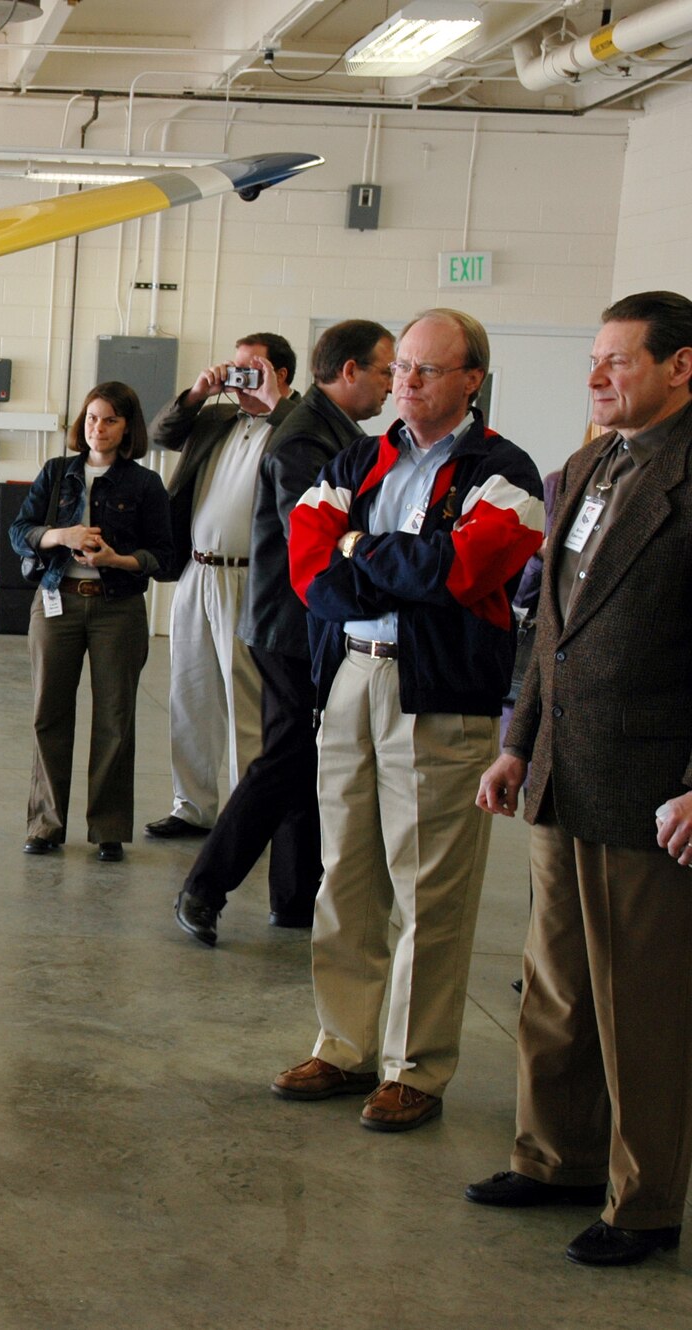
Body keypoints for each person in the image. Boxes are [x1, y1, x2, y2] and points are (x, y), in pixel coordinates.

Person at [271, 308, 542, 1132]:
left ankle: (413, 1067)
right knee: (345, 875)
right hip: (353, 677)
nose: (406, 382)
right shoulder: (359, 460)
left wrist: (361, 548)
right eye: (400, 369)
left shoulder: (506, 471)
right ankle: (344, 1044)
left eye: (426, 369)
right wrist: (386, 563)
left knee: (429, 888)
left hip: (439, 695)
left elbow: (463, 571)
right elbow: (309, 563)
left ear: (472, 379)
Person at [467, 290, 692, 1267]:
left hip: (652, 787)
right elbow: (547, 624)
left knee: (640, 1007)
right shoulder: (591, 464)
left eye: (617, 360)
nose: (594, 376)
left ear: (680, 366)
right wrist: (517, 740)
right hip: (562, 770)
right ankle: (554, 1155)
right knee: (554, 987)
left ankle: (644, 1202)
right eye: (593, 359)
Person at [174, 320, 394, 946]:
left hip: (301, 621)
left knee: (302, 754)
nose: (392, 384)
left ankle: (294, 898)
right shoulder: (304, 438)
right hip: (289, 623)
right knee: (288, 756)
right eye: (386, 371)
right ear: (349, 371)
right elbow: (317, 535)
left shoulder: (330, 430)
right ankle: (204, 887)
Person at [144, 333, 300, 839]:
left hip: (252, 578)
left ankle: (246, 815)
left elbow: (314, 450)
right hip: (197, 570)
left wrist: (275, 404)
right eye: (234, 368)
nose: (238, 379)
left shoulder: (296, 424)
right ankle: (191, 805)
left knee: (244, 702)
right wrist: (197, 393)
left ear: (279, 374)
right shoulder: (216, 419)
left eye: (250, 369)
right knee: (190, 694)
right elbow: (161, 433)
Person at [9, 381, 171, 863]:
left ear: (127, 428)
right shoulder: (57, 472)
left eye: (111, 420)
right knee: (49, 713)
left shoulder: (145, 484)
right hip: (56, 601)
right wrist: (62, 535)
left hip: (117, 608)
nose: (99, 428)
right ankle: (45, 824)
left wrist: (117, 559)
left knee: (116, 718)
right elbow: (20, 532)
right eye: (93, 418)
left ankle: (109, 828)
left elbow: (164, 555)